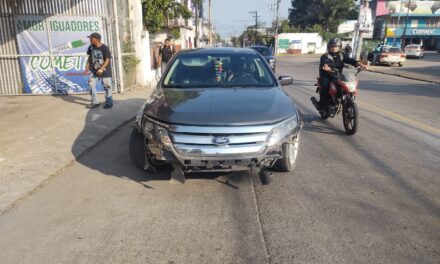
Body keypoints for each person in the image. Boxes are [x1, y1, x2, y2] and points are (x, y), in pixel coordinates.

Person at [318, 38, 367, 112]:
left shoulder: (341, 55)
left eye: (336, 46)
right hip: (327, 75)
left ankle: (344, 99)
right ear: (329, 47)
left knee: (346, 83)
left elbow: (350, 60)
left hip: (338, 75)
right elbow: (324, 62)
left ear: (340, 47)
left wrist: (359, 63)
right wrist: (326, 67)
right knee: (325, 86)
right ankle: (322, 106)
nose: (334, 48)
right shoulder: (325, 56)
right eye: (332, 46)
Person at [86, 32, 113, 109]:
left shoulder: (104, 48)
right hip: (94, 70)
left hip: (104, 70)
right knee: (91, 84)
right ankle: (95, 102)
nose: (90, 40)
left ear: (96, 39)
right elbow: (90, 56)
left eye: (91, 38)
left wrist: (101, 69)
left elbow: (107, 59)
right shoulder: (91, 47)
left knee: (107, 86)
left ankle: (109, 102)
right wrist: (87, 65)